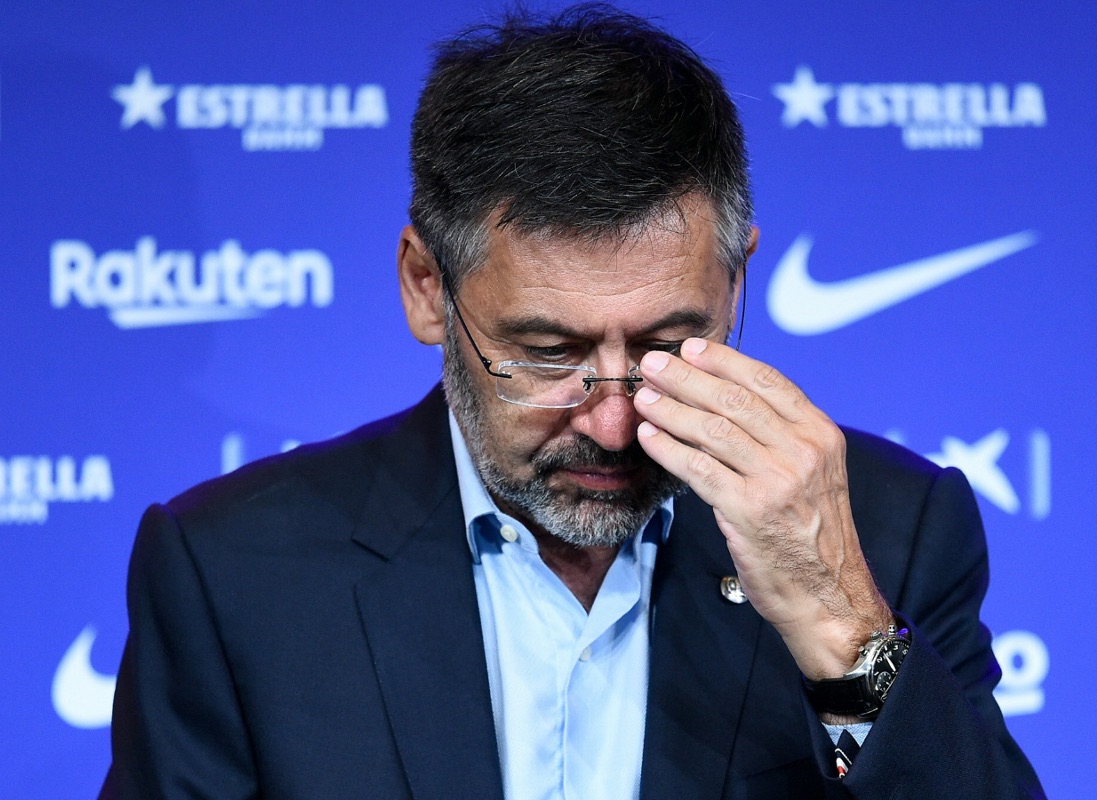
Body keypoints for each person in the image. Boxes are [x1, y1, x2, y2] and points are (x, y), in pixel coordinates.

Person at [102, 5, 1045, 798]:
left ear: (737, 276)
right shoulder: (232, 574)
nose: (614, 419)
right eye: (549, 354)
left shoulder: (889, 534)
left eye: (669, 347)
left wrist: (844, 626)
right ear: (427, 287)